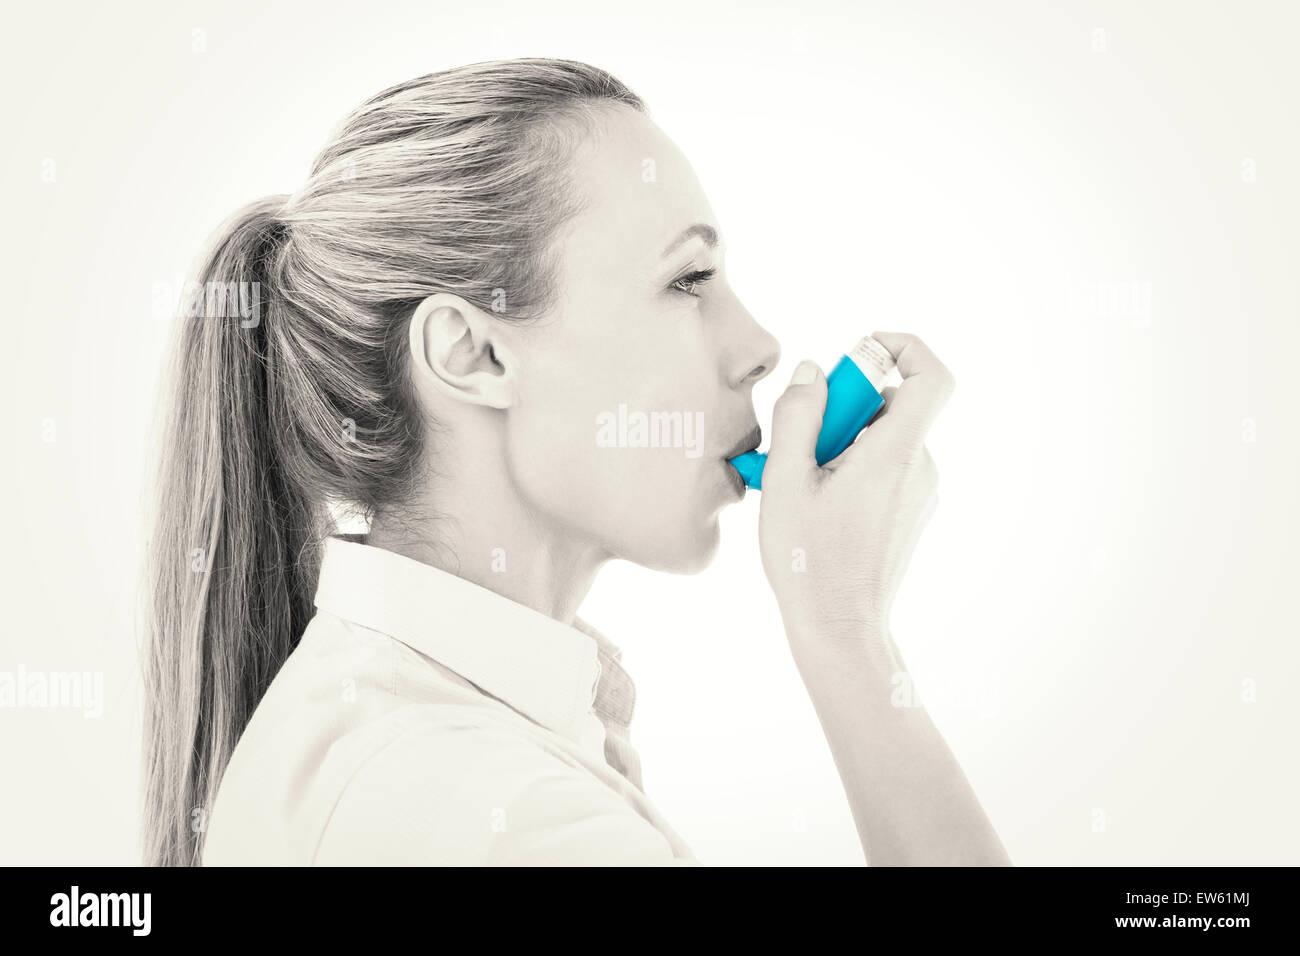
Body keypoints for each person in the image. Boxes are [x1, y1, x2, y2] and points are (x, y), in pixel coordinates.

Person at [142, 57, 1010, 866]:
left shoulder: (446, 746)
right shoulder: (490, 814)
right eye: (687, 280)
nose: (758, 346)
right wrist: (849, 641)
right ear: (472, 355)